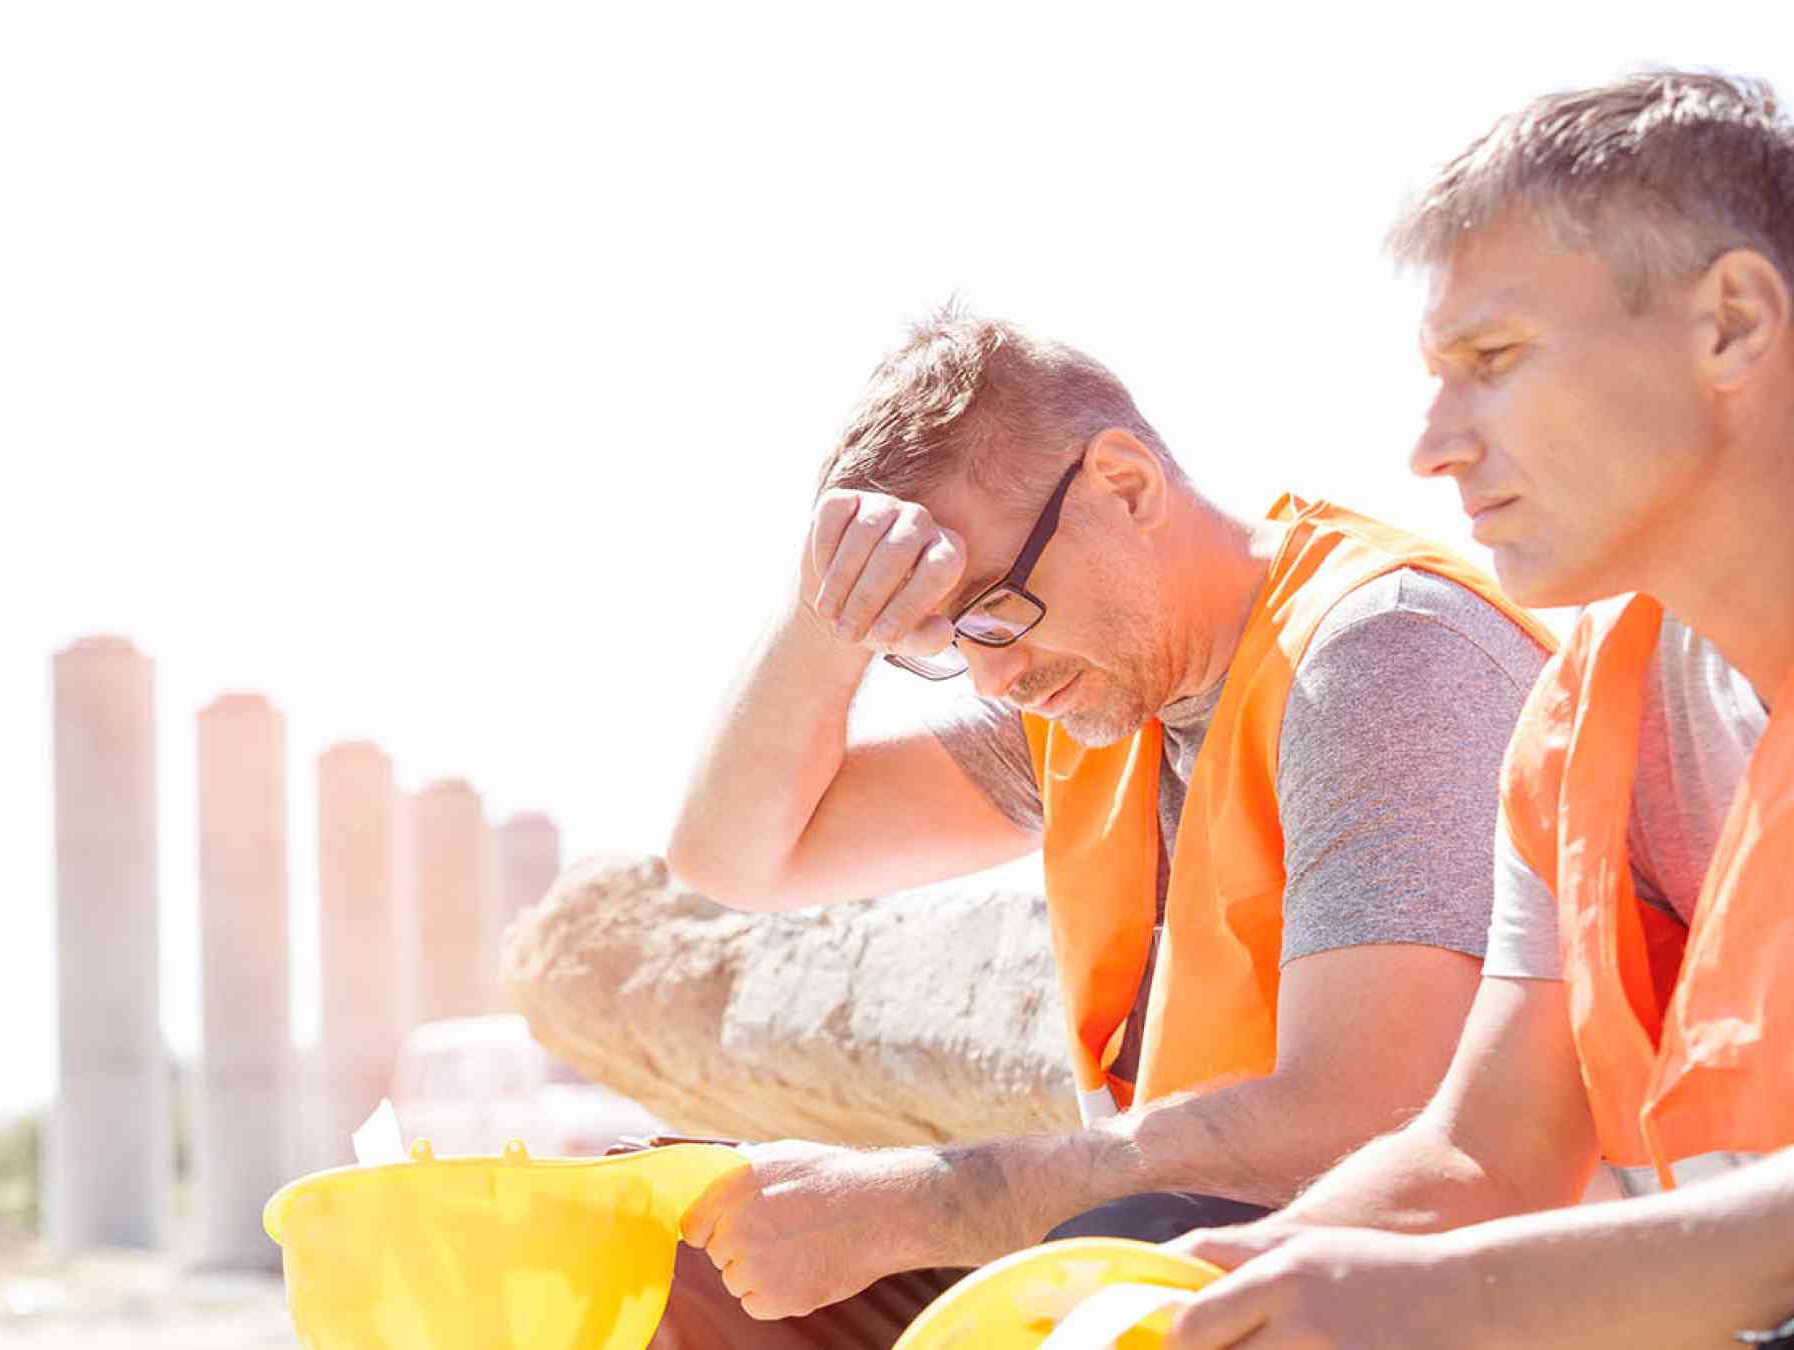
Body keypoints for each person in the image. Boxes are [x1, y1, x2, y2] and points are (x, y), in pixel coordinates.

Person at [654, 302, 1553, 1345]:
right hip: (1180, 1256)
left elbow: (1372, 1119)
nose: (994, 671)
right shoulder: (1091, 711)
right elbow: (734, 857)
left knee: (1131, 1237)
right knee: (700, 1255)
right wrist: (827, 618)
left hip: (1402, 1284)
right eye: (941, 635)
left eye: (994, 607)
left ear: (1124, 486)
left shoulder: (1387, 653)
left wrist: (906, 1205)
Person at [1166, 69, 1794, 1350]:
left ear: (1732, 324)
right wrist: (1195, 1301)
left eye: (1492, 362)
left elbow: (1472, 1270)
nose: (1431, 444)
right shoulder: (1577, 738)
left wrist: (1458, 1302)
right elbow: (1481, 1159)